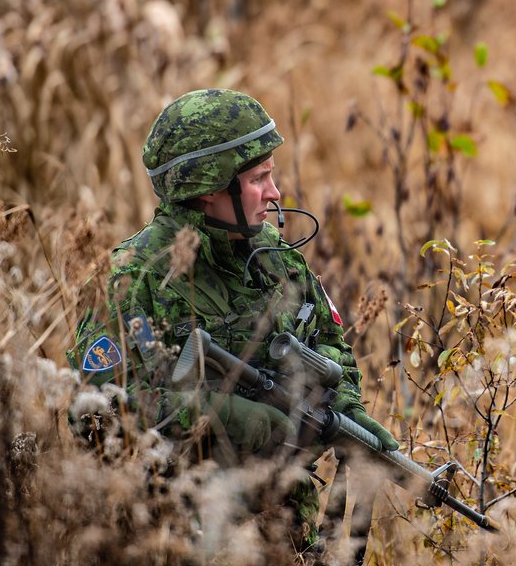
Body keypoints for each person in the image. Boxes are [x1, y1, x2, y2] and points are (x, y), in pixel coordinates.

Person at [66, 88, 397, 558]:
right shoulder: (133, 280)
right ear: (209, 186)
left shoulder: (276, 261)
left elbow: (329, 343)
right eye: (259, 179)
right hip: (172, 541)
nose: (275, 193)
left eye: (272, 176)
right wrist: (218, 418)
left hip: (281, 535)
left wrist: (346, 410)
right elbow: (94, 417)